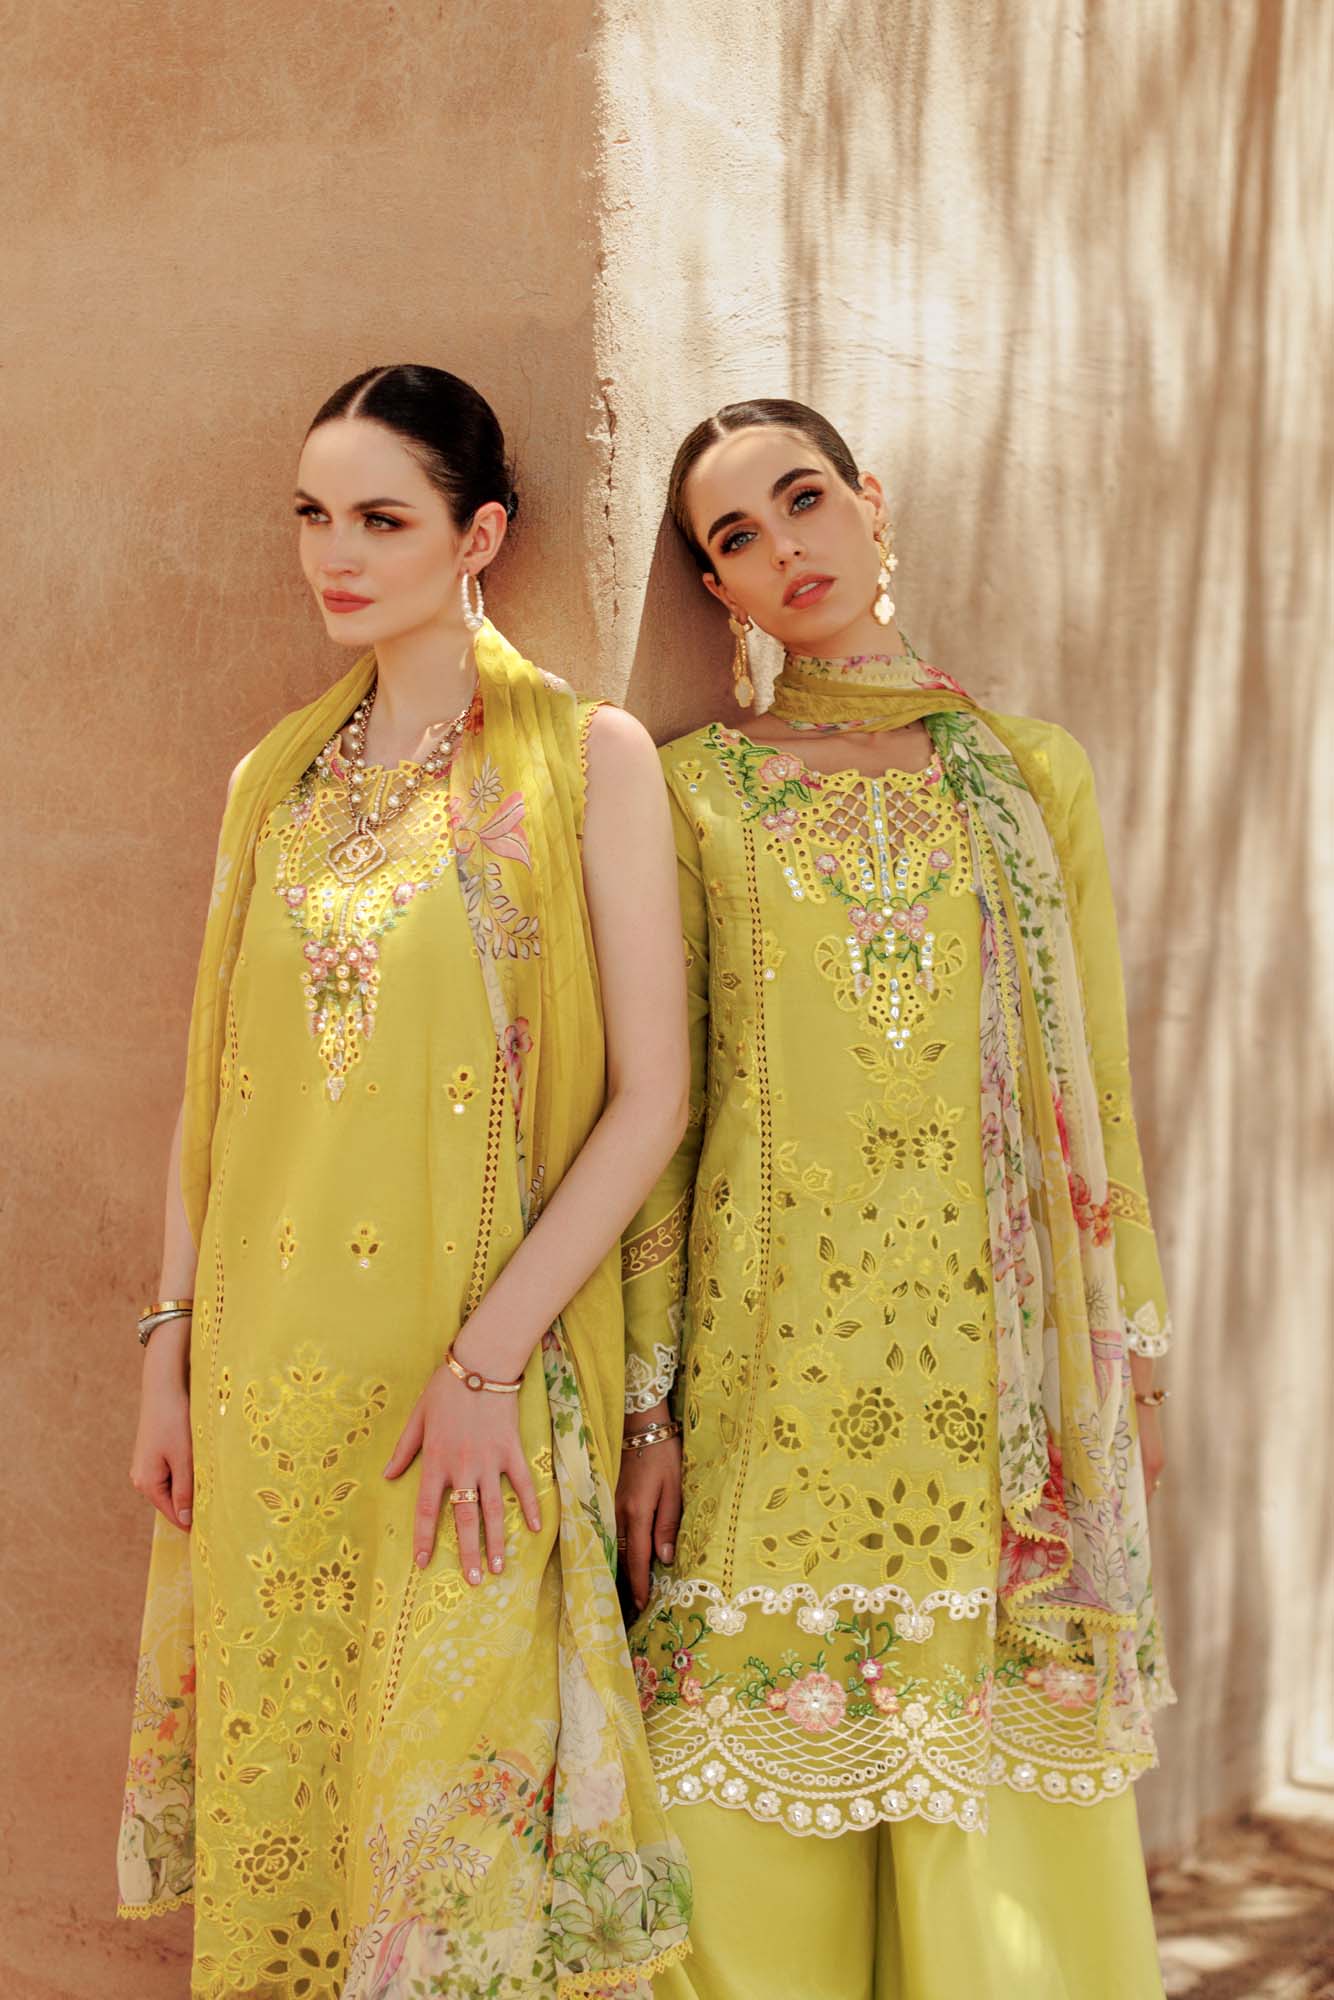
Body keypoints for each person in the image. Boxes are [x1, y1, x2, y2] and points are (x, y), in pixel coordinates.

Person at [119, 363, 694, 2000]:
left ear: (478, 535)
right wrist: (167, 1350)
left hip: (466, 1400)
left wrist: (488, 1366)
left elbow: (651, 1099)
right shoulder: (274, 781)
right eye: (313, 514)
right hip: (266, 1387)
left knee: (457, 1868)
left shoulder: (585, 760)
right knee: (298, 1824)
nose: (335, 553)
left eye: (381, 517)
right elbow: (214, 1101)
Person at [616, 398, 1173, 1999]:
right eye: (735, 536)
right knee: (732, 1811)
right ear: (715, 590)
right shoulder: (697, 793)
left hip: (1000, 1383)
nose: (783, 548)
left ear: (870, 501)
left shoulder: (1027, 774)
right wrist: (648, 1405)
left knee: (996, 1819)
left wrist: (1130, 1361)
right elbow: (665, 1112)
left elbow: (1098, 1090)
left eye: (802, 500)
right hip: (768, 1372)